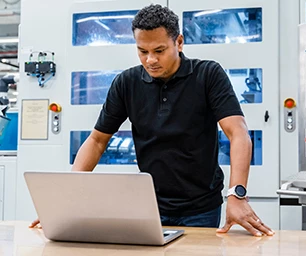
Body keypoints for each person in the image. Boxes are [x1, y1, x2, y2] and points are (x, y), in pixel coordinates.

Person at [30, 4, 274, 237]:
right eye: (142, 51)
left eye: (159, 50)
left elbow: (238, 133)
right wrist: (67, 198)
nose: (150, 60)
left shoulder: (208, 75)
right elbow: (96, 141)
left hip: (202, 206)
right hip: (150, 204)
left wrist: (237, 195)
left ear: (178, 42)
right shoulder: (126, 83)